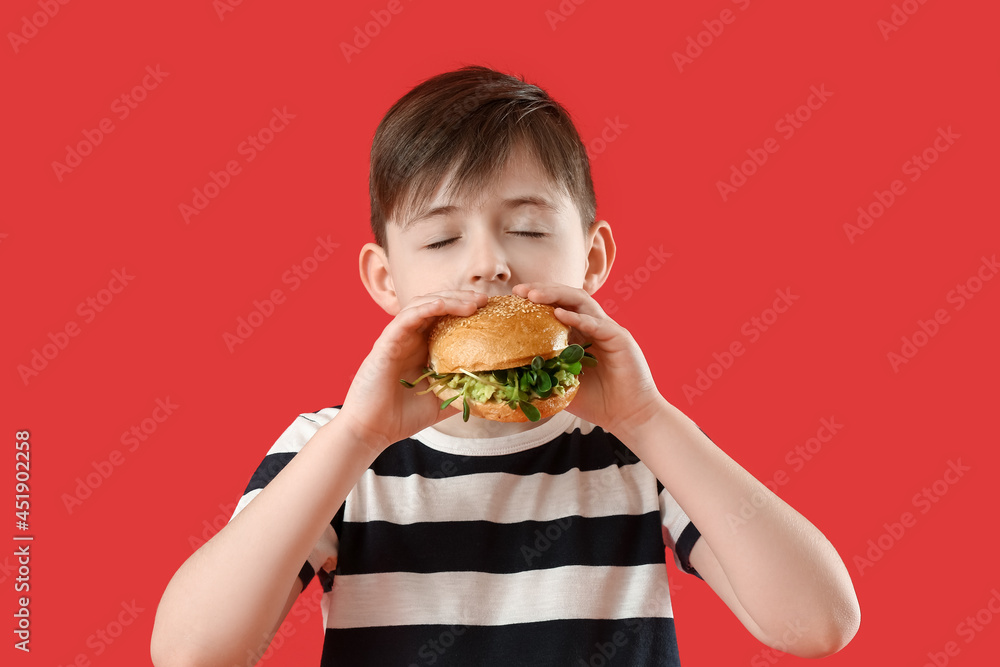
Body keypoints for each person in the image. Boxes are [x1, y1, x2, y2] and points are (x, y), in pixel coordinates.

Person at [151, 65, 860, 666]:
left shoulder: (636, 449)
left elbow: (820, 622)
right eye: (442, 237)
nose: (489, 262)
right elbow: (190, 651)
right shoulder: (331, 451)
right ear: (384, 280)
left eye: (527, 228)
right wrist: (358, 437)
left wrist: (647, 418)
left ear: (592, 258)